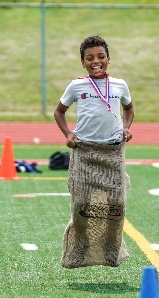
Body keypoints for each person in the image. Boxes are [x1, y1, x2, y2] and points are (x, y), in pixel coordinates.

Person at [54, 36, 134, 268]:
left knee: (116, 205)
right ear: (83, 62)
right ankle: (81, 246)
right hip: (85, 151)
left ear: (109, 59)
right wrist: (68, 134)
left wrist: (126, 128)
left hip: (112, 151)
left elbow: (129, 108)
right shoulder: (76, 86)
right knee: (81, 205)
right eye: (89, 58)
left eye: (101, 57)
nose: (96, 61)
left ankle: (111, 249)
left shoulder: (119, 85)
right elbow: (59, 112)